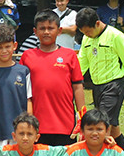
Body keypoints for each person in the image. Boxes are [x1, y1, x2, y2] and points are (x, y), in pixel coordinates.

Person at [75, 7, 124, 153]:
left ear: (97, 23)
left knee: (100, 126)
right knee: (113, 128)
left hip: (114, 86)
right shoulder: (86, 39)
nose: (87, 35)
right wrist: (71, 80)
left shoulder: (116, 36)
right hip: (97, 87)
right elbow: (82, 63)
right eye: (84, 33)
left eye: (88, 31)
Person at [18, 10, 85, 147]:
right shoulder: (27, 56)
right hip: (36, 126)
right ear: (35, 31)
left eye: (50, 28)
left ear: (59, 31)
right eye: (42, 28)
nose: (46, 32)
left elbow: (78, 87)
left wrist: (82, 116)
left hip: (65, 125)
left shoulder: (69, 55)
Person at [0, 25, 32, 147]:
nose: (4, 51)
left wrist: (29, 127)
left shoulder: (23, 72)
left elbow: (28, 101)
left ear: (14, 46)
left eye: (7, 46)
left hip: (19, 132)